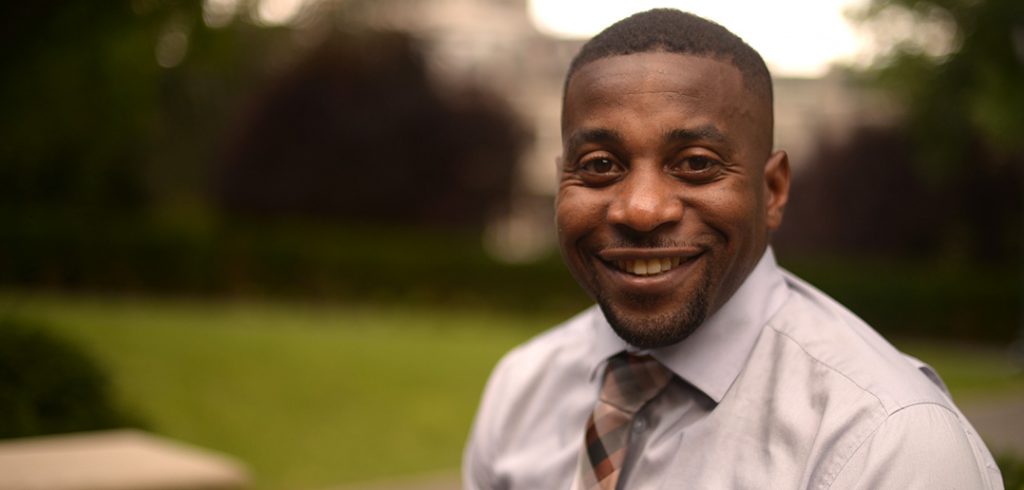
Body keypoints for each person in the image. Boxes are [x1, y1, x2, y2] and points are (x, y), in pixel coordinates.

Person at [463, 8, 1003, 490]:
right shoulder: (521, 389)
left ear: (771, 191)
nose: (642, 209)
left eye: (696, 163)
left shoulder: (889, 440)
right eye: (601, 165)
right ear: (562, 181)